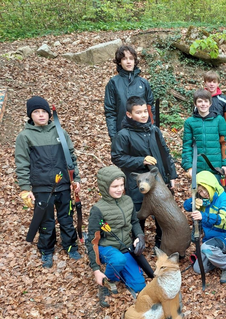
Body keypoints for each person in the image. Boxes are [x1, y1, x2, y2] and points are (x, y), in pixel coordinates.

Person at [15, 96, 81, 268]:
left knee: (67, 217)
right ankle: (46, 250)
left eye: (44, 111)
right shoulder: (25, 136)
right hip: (42, 187)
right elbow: (22, 163)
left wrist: (76, 179)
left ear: (49, 113)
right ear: (30, 115)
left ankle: (70, 246)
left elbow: (71, 157)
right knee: (46, 221)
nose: (41, 115)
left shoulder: (60, 132)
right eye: (36, 112)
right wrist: (25, 188)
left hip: (64, 185)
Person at [111, 96, 178, 248]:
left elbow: (165, 153)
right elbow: (117, 158)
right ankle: (138, 245)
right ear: (129, 114)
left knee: (162, 215)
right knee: (138, 216)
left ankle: (161, 244)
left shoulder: (154, 131)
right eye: (138, 112)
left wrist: (171, 175)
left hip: (159, 182)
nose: (143, 115)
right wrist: (141, 160)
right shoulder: (123, 135)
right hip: (137, 184)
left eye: (145, 111)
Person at [86, 166, 147, 306]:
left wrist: (140, 236)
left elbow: (134, 221)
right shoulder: (98, 209)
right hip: (107, 248)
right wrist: (96, 270)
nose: (119, 189)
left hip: (125, 247)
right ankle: (108, 280)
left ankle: (119, 270)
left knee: (139, 286)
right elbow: (92, 241)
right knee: (117, 260)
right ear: (105, 187)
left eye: (121, 185)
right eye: (115, 186)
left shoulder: (128, 201)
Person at [184, 171, 226, 283]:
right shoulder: (202, 199)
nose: (203, 193)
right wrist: (193, 202)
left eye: (204, 190)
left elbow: (221, 218)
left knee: (206, 248)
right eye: (200, 191)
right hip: (210, 239)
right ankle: (221, 256)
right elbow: (186, 206)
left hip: (225, 236)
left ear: (211, 185)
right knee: (198, 269)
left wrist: (202, 216)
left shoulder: (224, 199)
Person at [104, 45, 155, 140]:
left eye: (131, 58)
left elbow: (150, 107)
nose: (128, 62)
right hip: (122, 132)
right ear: (119, 62)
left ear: (135, 61)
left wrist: (153, 130)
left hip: (143, 132)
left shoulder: (143, 83)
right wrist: (114, 136)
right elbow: (110, 112)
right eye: (124, 59)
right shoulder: (113, 83)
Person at [182, 89, 226, 178]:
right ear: (195, 104)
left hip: (216, 168)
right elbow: (187, 146)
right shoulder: (189, 122)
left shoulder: (219, 120)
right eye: (200, 101)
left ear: (210, 103)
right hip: (198, 168)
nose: (203, 104)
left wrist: (225, 164)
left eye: (206, 101)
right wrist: (189, 167)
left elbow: (224, 143)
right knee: (199, 191)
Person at [203, 70, 226, 142]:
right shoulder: (200, 100)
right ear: (205, 83)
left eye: (214, 82)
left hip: (219, 137)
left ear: (218, 84)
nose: (212, 84)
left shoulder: (224, 101)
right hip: (203, 137)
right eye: (209, 82)